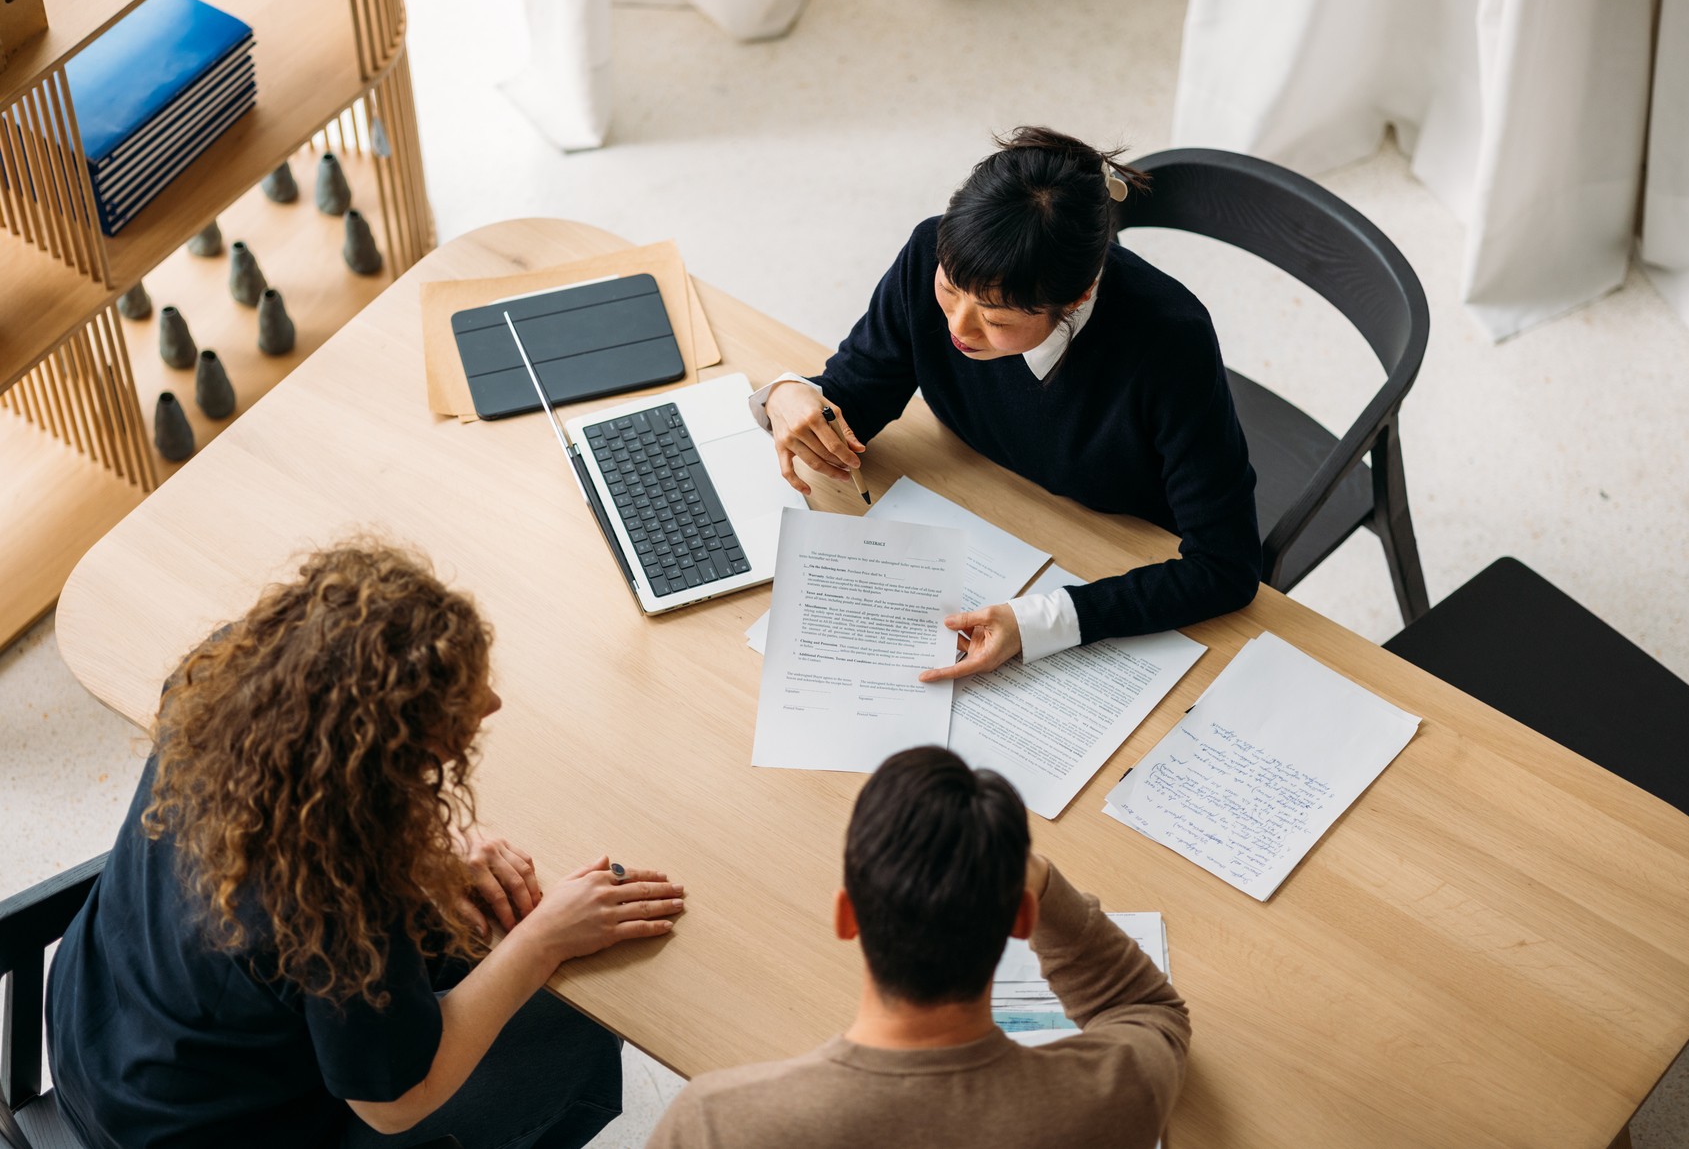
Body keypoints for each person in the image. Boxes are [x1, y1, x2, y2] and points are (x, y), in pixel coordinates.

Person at [46, 540, 686, 1149]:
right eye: (456, 705)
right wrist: (545, 941)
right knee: (578, 1019)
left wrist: (424, 847)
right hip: (202, 1133)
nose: (490, 703)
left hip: (101, 1037)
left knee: (467, 939)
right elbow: (398, 1103)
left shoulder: (225, 689)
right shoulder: (336, 897)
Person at [752, 126, 1261, 681]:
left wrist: (1040, 623)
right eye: (948, 290)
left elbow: (1227, 567)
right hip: (983, 492)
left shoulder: (1171, 343)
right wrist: (790, 395)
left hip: (1123, 535)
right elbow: (858, 391)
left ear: (1079, 296)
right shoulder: (931, 251)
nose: (957, 327)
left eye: (996, 319)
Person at [645, 746, 1190, 1149]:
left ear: (847, 917)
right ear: (1022, 919)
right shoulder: (1115, 1095)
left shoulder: (716, 1124)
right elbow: (1147, 1009)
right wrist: (1042, 879)